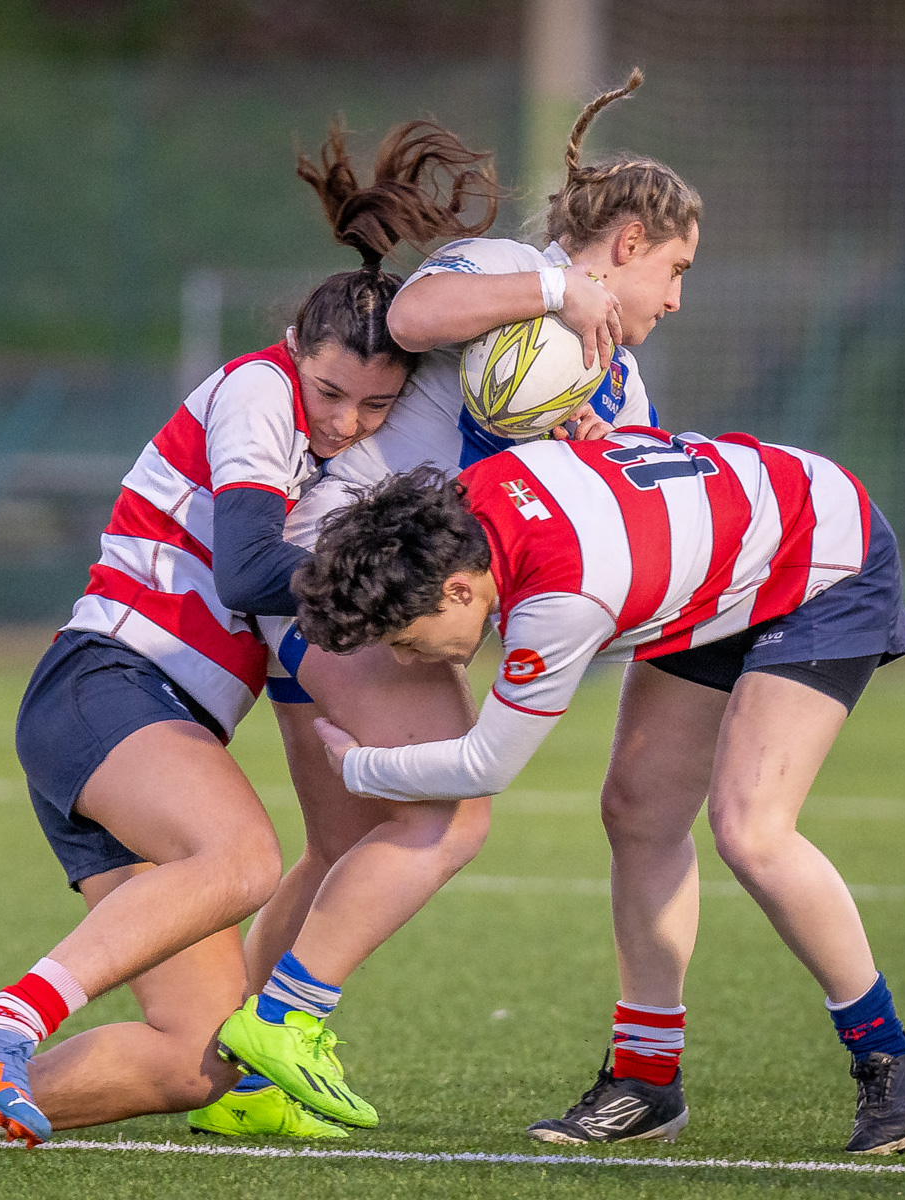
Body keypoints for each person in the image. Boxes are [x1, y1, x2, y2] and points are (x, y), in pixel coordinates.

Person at [0, 119, 500, 1144]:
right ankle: (1, 1026)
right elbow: (249, 568)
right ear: (298, 349)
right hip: (107, 687)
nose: (345, 421)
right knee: (244, 855)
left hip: (150, 734)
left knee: (195, 1061)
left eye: (375, 407)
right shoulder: (259, 390)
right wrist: (390, 599)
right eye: (332, 391)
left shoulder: (324, 454)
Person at [204, 68, 700, 1133]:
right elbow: (420, 308)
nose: (675, 296)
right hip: (337, 569)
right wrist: (555, 295)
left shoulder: (621, 390)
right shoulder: (513, 273)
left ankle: (239, 1083)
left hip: (374, 600)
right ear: (623, 247)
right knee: (453, 814)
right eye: (674, 268)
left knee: (343, 851)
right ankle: (286, 1024)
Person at [291, 431, 905, 1156]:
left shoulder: (561, 600)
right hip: (726, 554)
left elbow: (485, 765)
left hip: (818, 557)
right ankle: (646, 1080)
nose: (406, 660)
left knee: (752, 828)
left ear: (459, 589)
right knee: (639, 811)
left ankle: (887, 1054)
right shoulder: (471, 507)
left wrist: (358, 768)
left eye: (408, 640)